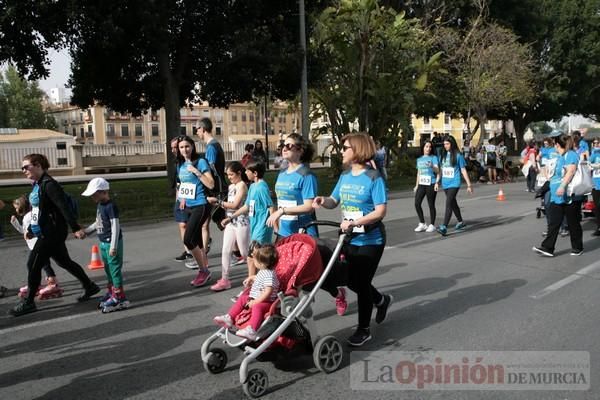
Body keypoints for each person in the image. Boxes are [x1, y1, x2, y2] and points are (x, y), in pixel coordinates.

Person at [313, 133, 391, 347]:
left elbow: (380, 211)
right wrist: (323, 200)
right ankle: (381, 300)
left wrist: (356, 223)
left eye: (345, 147)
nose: (341, 151)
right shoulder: (345, 176)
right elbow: (334, 201)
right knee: (351, 280)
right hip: (348, 238)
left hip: (371, 240)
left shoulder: (374, 177)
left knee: (362, 283)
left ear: (357, 150)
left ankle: (363, 329)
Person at [10, 154, 100, 317]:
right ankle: (89, 286)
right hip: (46, 231)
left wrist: (74, 227)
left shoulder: (49, 184)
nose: (23, 170)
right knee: (64, 261)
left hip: (51, 233)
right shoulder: (38, 184)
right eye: (22, 168)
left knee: (33, 264)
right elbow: (38, 211)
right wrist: (30, 228)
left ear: (38, 165)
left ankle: (29, 302)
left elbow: (63, 207)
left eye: (26, 167)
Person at [80, 177, 130, 312]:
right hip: (103, 243)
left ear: (103, 192)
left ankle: (119, 297)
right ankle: (112, 292)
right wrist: (87, 231)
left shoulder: (110, 206)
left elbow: (115, 226)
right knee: (108, 270)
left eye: (94, 193)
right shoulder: (100, 205)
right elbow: (98, 222)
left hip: (111, 244)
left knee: (114, 270)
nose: (92, 196)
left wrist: (113, 246)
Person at [213, 243, 279, 341]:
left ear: (261, 264)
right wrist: (252, 277)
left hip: (266, 302)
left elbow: (268, 291)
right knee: (243, 298)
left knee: (257, 307)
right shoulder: (265, 271)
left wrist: (255, 302)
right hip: (257, 298)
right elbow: (260, 278)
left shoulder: (269, 275)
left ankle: (252, 330)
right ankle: (229, 317)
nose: (254, 262)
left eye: (255, 260)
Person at [223, 161, 274, 284]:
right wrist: (231, 218)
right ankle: (254, 286)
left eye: (247, 171)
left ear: (255, 173)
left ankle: (256, 286)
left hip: (262, 227)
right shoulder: (252, 186)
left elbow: (271, 206)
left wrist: (276, 227)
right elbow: (246, 206)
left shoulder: (262, 187)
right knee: (254, 259)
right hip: (255, 227)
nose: (245, 172)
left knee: (255, 258)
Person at [175, 135, 215, 287]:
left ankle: (203, 270)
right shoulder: (180, 165)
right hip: (188, 206)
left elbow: (210, 184)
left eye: (187, 146)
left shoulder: (200, 162)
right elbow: (182, 184)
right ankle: (204, 270)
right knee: (197, 241)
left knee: (188, 239)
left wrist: (197, 172)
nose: (184, 149)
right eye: (181, 147)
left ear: (192, 147)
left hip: (201, 204)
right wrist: (183, 198)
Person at [532, 134, 582, 257]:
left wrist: (562, 186)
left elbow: (571, 171)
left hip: (569, 195)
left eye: (555, 144)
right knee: (554, 222)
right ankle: (548, 247)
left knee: (573, 223)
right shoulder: (560, 156)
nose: (554, 146)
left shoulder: (571, 154)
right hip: (557, 196)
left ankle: (577, 247)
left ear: (557, 144)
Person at [207, 161, 250, 291]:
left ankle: (255, 275)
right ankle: (225, 279)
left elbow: (236, 204)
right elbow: (229, 205)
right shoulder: (232, 186)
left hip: (242, 222)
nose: (229, 177)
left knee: (244, 252)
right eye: (228, 175)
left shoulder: (242, 185)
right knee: (226, 250)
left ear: (239, 173)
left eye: (231, 174)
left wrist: (218, 202)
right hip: (231, 222)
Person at [266, 133, 318, 240]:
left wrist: (282, 211)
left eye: (289, 146)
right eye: (282, 146)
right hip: (283, 232)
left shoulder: (306, 175)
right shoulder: (282, 173)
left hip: (303, 233)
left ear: (300, 150)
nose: (284, 149)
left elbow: (309, 207)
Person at [10, 195, 63, 299]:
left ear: (22, 207)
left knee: (43, 265)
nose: (16, 210)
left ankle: (53, 284)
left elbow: (35, 229)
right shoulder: (26, 217)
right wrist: (15, 223)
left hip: (39, 246)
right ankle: (37, 284)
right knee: (38, 266)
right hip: (34, 246)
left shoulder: (30, 216)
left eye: (16, 207)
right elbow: (24, 231)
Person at [197, 118, 226, 256]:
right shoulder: (215, 145)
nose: (196, 132)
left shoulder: (211, 147)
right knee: (206, 222)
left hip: (216, 190)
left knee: (221, 221)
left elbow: (211, 170)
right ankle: (204, 252)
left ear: (202, 129)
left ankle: (236, 251)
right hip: (216, 188)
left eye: (197, 129)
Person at [437, 135, 473, 236]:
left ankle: (444, 226)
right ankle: (460, 221)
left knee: (448, 203)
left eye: (447, 144)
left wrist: (469, 185)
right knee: (453, 203)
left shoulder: (458, 155)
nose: (445, 146)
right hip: (445, 183)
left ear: (452, 144)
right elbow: (440, 170)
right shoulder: (442, 155)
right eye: (444, 144)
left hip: (455, 182)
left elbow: (463, 170)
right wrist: (436, 182)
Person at [171, 136, 194, 263]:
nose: (174, 150)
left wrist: (185, 196)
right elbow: (179, 182)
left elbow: (189, 181)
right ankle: (188, 251)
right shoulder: (178, 163)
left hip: (191, 197)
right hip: (181, 197)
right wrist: (179, 198)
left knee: (192, 225)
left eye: (176, 147)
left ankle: (197, 247)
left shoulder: (194, 161)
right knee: (182, 224)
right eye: (173, 148)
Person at [414, 140, 439, 233]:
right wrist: (416, 185)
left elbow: (437, 171)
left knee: (431, 204)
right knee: (417, 203)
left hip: (431, 183)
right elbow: (419, 173)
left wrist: (432, 166)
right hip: (421, 183)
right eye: (426, 146)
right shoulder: (419, 159)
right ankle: (422, 223)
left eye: (430, 147)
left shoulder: (434, 158)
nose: (428, 148)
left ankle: (432, 224)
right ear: (423, 147)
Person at [590, 138, 600, 236]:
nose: (596, 144)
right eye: (594, 143)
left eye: (598, 142)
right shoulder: (594, 153)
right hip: (595, 183)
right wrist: (594, 152)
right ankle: (599, 227)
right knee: (597, 207)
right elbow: (589, 162)